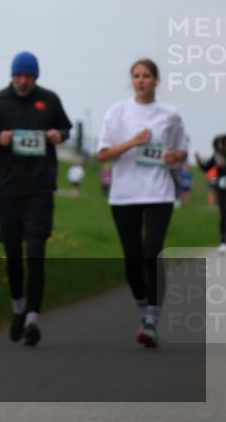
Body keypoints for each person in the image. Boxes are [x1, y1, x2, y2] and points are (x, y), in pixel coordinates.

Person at [0, 51, 72, 346]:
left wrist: (59, 135)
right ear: (12, 75)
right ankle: (18, 307)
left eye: (29, 76)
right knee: (13, 254)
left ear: (36, 77)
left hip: (40, 189)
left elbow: (66, 128)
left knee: (36, 252)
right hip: (7, 189)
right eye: (19, 75)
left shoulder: (49, 100)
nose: (24, 81)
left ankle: (32, 319)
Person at [97, 59, 188, 348]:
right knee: (132, 258)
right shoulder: (117, 112)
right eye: (136, 76)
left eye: (146, 76)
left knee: (152, 253)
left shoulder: (169, 114)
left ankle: (152, 318)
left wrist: (176, 157)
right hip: (124, 195)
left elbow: (181, 151)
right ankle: (143, 310)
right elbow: (103, 155)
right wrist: (133, 142)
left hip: (159, 193)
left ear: (156, 81)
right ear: (131, 80)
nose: (141, 80)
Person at [195, 134, 226, 255]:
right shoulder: (217, 155)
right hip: (222, 186)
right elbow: (206, 167)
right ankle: (223, 241)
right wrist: (198, 160)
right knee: (224, 213)